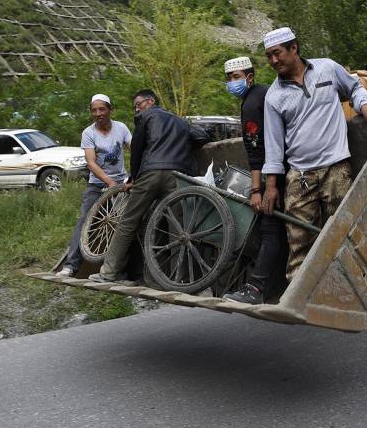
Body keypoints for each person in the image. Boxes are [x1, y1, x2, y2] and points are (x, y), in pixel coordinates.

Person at [260, 27, 367, 282]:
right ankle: (299, 297)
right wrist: (270, 187)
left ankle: (356, 286)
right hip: (300, 177)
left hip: (336, 168)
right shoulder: (273, 96)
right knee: (299, 240)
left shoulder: (327, 68)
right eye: (268, 56)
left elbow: (355, 87)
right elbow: (273, 146)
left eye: (277, 53)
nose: (273, 61)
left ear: (293, 48)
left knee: (345, 232)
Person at [89, 89, 209, 283]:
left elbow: (136, 149)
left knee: (128, 222)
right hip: (176, 175)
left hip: (151, 172)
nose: (137, 109)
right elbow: (201, 137)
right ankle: (178, 279)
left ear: (151, 101)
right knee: (177, 230)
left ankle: (108, 273)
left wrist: (133, 177)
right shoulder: (180, 121)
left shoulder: (146, 116)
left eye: (138, 104)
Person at [219, 56, 289, 305]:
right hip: (288, 166)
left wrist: (257, 190)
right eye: (228, 79)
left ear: (249, 77)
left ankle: (256, 288)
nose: (231, 83)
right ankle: (274, 285)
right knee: (278, 229)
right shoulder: (263, 93)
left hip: (277, 172)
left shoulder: (251, 103)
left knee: (269, 227)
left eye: (236, 78)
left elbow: (257, 151)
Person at [57, 94, 132, 278]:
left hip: (121, 184)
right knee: (84, 221)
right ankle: (71, 266)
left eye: (102, 109)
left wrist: (131, 177)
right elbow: (91, 163)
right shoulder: (88, 133)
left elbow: (135, 149)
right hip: (97, 185)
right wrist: (110, 183)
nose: (98, 113)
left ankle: (122, 270)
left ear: (110, 110)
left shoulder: (121, 128)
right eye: (94, 110)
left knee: (124, 224)